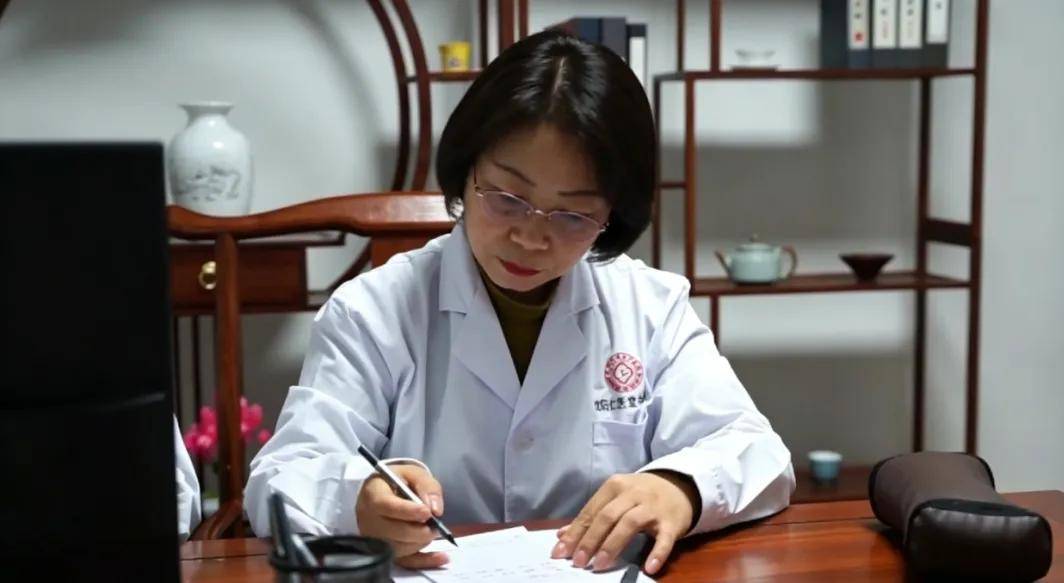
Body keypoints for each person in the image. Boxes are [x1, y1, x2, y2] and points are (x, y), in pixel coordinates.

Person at [245, 29, 795, 576]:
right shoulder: (374, 309)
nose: (531, 238)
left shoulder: (649, 307)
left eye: (573, 215)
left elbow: (759, 453)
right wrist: (355, 499)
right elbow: (280, 477)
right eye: (508, 199)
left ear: (612, 214)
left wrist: (680, 488)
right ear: (467, 171)